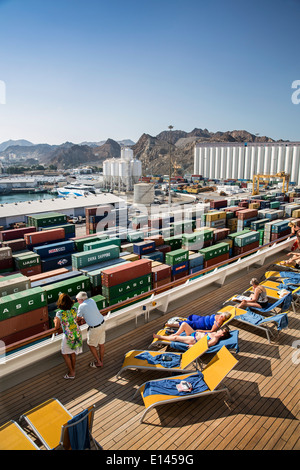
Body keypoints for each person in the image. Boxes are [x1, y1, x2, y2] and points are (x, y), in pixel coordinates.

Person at [54, 293, 83, 380]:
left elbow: (56, 327)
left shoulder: (59, 314)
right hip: (76, 333)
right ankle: (73, 369)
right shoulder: (74, 309)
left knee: (64, 353)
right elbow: (77, 319)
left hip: (68, 335)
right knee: (72, 352)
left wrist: (55, 320)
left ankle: (71, 373)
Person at [76, 291, 105, 368]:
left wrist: (81, 318)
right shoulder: (91, 300)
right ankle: (101, 360)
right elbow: (91, 312)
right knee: (101, 344)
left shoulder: (81, 306)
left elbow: (77, 319)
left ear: (81, 299)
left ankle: (99, 362)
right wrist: (84, 317)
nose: (77, 301)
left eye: (77, 300)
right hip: (102, 323)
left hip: (95, 328)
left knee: (90, 345)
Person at [153, 323, 230, 348]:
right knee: (184, 324)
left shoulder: (214, 340)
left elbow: (204, 346)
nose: (220, 329)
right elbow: (209, 331)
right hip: (194, 333)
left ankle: (159, 337)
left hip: (193, 339)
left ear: (222, 334)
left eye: (221, 330)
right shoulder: (214, 333)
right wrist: (201, 331)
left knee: (176, 338)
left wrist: (193, 347)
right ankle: (176, 333)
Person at [166, 311, 231, 332]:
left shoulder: (218, 323)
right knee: (191, 316)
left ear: (224, 319)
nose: (221, 316)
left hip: (202, 324)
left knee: (186, 323)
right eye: (222, 315)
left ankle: (171, 325)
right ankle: (185, 327)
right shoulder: (219, 315)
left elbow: (212, 331)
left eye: (222, 317)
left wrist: (201, 331)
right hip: (201, 318)